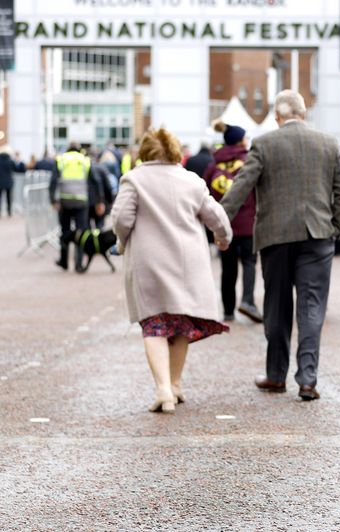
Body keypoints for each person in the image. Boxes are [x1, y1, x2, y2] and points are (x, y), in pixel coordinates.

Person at [220, 90, 340, 401]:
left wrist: (220, 223)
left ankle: (276, 376)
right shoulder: (329, 143)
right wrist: (334, 228)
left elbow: (241, 187)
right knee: (312, 308)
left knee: (277, 308)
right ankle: (307, 379)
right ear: (303, 113)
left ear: (277, 117)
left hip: (275, 238)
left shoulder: (264, 144)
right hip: (318, 236)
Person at [111, 128, 233, 414]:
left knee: (153, 324)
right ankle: (175, 385)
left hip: (149, 262)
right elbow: (216, 216)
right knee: (180, 325)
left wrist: (121, 240)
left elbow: (121, 218)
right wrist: (223, 238)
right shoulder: (191, 180)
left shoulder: (134, 179)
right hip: (187, 262)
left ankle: (163, 388)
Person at [204, 119, 263, 323]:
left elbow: (206, 195)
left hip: (223, 224)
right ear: (239, 141)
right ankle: (247, 301)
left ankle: (228, 310)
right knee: (249, 263)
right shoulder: (250, 161)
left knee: (227, 268)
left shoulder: (214, 165)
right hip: (248, 223)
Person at [49, 142, 104, 272]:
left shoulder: (61, 160)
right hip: (81, 202)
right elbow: (95, 182)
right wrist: (99, 201)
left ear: (67, 149)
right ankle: (78, 264)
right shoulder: (84, 161)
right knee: (82, 234)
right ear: (79, 150)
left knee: (65, 232)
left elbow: (53, 182)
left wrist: (53, 200)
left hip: (65, 201)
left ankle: (64, 261)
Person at [0, 145, 25, 217]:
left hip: (0, 182)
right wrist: (19, 161)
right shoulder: (10, 161)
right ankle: (9, 211)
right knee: (9, 197)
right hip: (8, 182)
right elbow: (18, 169)